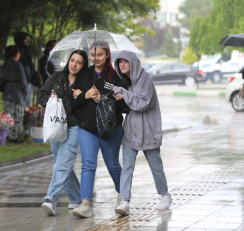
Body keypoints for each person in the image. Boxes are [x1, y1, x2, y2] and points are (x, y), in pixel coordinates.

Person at [71, 40, 129, 218]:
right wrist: (86, 95)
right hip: (87, 127)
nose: (96, 58)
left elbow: (125, 104)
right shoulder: (84, 75)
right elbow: (73, 102)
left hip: (110, 128)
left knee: (113, 165)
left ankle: (123, 198)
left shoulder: (114, 76)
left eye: (100, 55)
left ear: (107, 55)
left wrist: (103, 97)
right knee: (88, 164)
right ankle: (85, 203)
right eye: (93, 55)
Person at [112, 50, 172, 216]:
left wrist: (124, 94)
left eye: (125, 61)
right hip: (131, 130)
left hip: (148, 131)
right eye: (120, 62)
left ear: (133, 62)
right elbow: (127, 107)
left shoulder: (145, 78)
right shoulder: (124, 81)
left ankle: (165, 195)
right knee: (127, 168)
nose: (122, 64)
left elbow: (143, 103)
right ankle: (124, 201)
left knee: (155, 166)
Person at [38, 50, 89, 216]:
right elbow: (41, 95)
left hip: (74, 126)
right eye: (72, 60)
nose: (74, 64)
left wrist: (81, 97)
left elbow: (89, 106)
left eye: (79, 62)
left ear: (83, 65)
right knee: (64, 164)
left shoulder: (86, 83)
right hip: (56, 126)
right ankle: (76, 198)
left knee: (62, 164)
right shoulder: (56, 78)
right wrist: (51, 100)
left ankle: (50, 200)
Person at [1, 45, 28, 143]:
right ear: (16, 54)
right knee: (17, 116)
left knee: (8, 116)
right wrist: (26, 92)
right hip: (17, 94)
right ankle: (13, 137)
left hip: (6, 93)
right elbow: (23, 80)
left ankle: (8, 135)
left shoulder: (5, 64)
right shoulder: (18, 65)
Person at [14, 32, 42, 107]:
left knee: (27, 103)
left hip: (29, 80)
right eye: (26, 39)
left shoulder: (27, 51)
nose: (27, 41)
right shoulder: (17, 51)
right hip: (21, 81)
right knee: (22, 103)